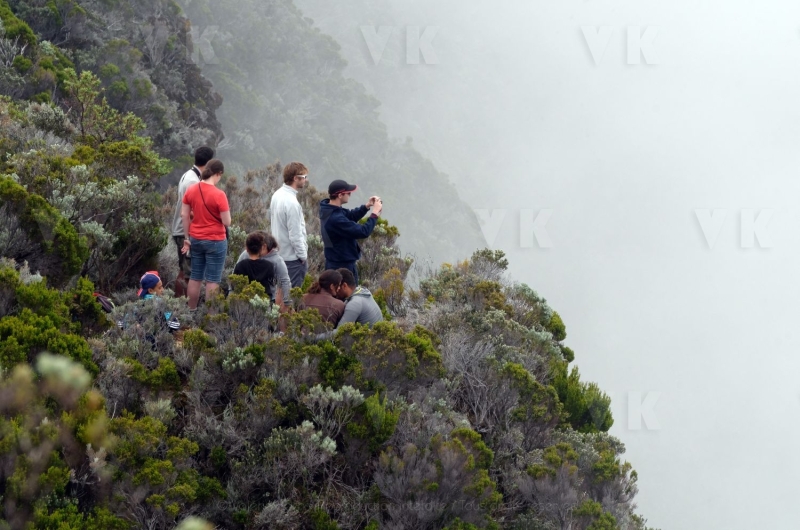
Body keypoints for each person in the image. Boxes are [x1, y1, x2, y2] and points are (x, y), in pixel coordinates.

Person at [180, 159, 230, 310]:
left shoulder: (191, 190)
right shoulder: (219, 194)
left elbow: (184, 215)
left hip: (196, 238)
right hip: (216, 240)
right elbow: (227, 221)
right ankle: (211, 316)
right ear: (218, 174)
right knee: (212, 280)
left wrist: (187, 238)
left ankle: (191, 310)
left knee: (195, 276)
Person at [319, 179, 382, 285]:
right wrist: (375, 213)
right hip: (342, 267)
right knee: (346, 294)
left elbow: (350, 215)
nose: (350, 195)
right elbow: (363, 231)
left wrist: (367, 206)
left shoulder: (329, 209)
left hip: (335, 262)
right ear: (340, 195)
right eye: (348, 193)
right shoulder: (335, 218)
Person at [171, 146, 215, 297]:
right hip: (185, 233)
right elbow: (190, 212)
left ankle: (179, 302)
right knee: (188, 273)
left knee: (184, 270)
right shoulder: (193, 181)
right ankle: (183, 304)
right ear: (208, 163)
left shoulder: (189, 175)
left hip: (182, 231)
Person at [270, 162, 309, 288]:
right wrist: (303, 256)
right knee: (291, 295)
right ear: (295, 178)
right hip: (292, 260)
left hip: (279, 255)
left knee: (280, 293)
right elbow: (295, 235)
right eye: (304, 177)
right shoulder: (292, 203)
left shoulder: (277, 194)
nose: (306, 180)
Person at [236, 232, 292, 304]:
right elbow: (234, 277)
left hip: (268, 299)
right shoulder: (246, 254)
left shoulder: (277, 261)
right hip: (245, 297)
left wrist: (287, 302)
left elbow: (285, 281)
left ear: (264, 246)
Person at [233, 232, 277, 296]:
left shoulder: (240, 266)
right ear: (261, 248)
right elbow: (272, 283)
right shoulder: (269, 266)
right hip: (265, 298)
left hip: (245, 297)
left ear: (247, 249)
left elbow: (234, 283)